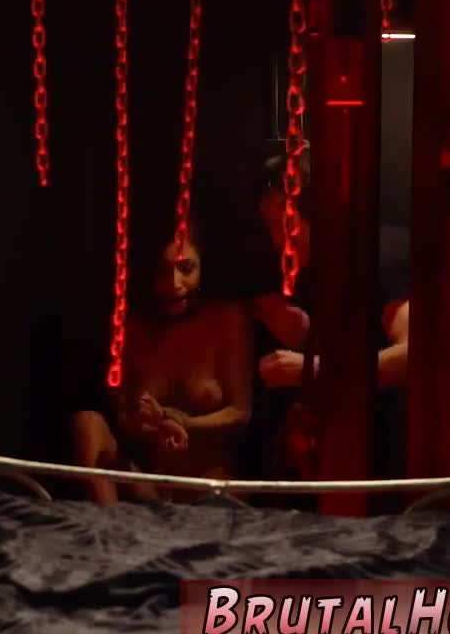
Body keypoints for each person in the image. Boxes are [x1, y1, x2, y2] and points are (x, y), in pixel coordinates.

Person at [246, 146, 411, 509]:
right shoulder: (309, 272)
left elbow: (410, 356)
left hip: (388, 462)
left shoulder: (380, 252)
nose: (277, 241)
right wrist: (307, 337)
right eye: (269, 226)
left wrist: (313, 369)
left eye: (282, 223)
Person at [69, 226, 255, 505]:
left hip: (208, 488)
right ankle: (107, 525)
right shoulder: (132, 327)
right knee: (87, 423)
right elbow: (124, 417)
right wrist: (152, 424)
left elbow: (240, 412)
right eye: (162, 271)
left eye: (186, 268)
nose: (174, 283)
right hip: (152, 487)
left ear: (203, 266)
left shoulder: (227, 319)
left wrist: (182, 422)